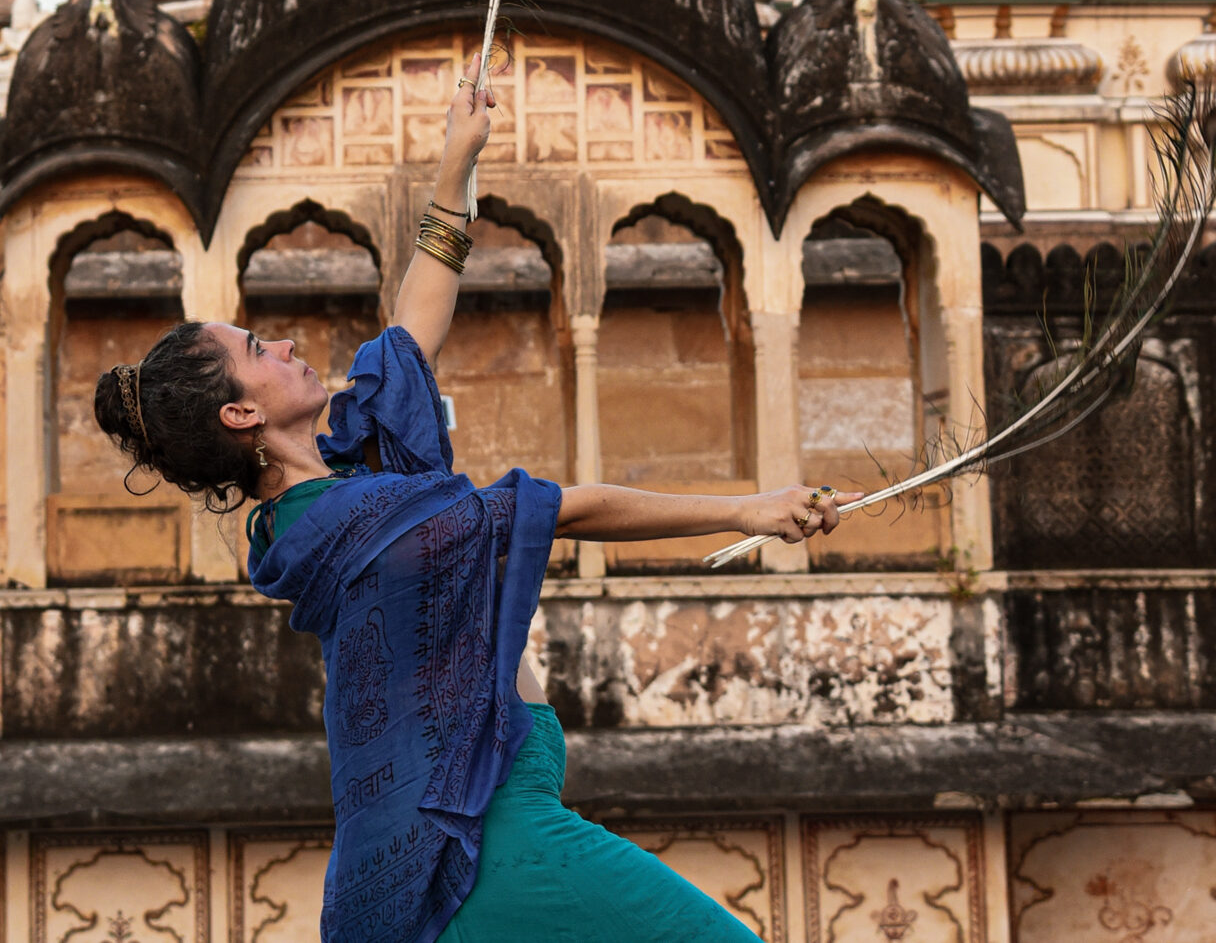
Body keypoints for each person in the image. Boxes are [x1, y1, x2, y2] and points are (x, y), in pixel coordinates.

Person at [93, 60, 861, 943]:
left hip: (483, 823)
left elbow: (411, 330)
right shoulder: (359, 524)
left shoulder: (342, 481)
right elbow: (566, 509)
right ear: (242, 411)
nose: (290, 341)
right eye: (261, 347)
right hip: (484, 844)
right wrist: (745, 511)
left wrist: (456, 166)